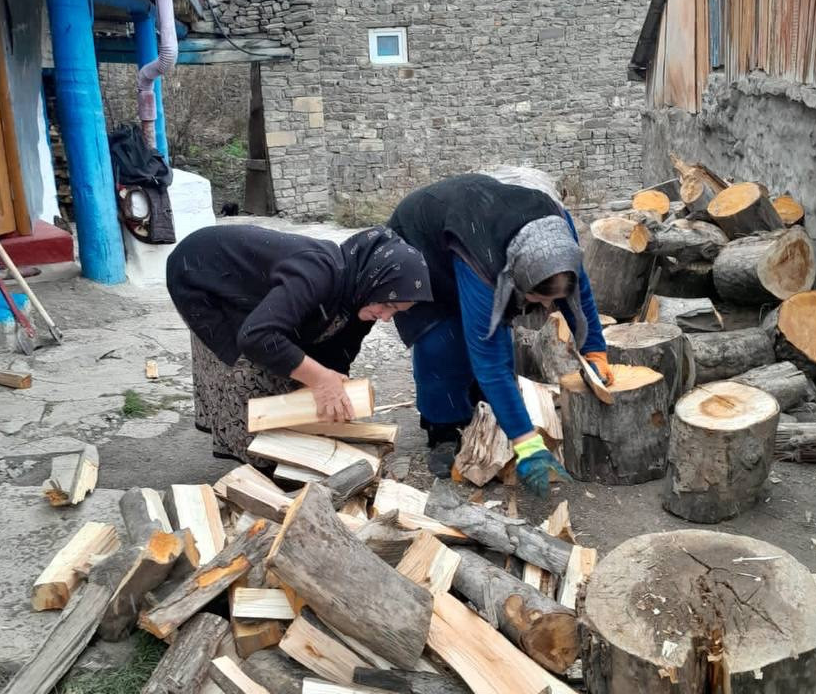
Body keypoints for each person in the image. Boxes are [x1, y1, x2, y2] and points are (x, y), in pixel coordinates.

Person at [388, 173, 612, 495]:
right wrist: (527, 443)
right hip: (422, 247)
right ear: (513, 277)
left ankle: (486, 408)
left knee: (490, 351)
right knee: (443, 339)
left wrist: (595, 351)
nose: (548, 306)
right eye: (538, 299)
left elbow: (579, 294)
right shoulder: (481, 263)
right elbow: (488, 353)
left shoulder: (559, 239)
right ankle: (443, 428)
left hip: (483, 227)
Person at [166, 224, 432, 462]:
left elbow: (340, 350)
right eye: (387, 305)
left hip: (254, 297)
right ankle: (254, 458)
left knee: (292, 377)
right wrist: (319, 379)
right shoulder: (318, 273)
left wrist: (334, 387)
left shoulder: (364, 293)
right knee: (243, 371)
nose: (386, 317)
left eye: (395, 311)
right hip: (204, 275)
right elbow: (256, 336)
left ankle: (284, 446)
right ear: (376, 280)